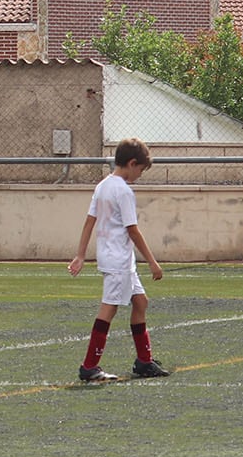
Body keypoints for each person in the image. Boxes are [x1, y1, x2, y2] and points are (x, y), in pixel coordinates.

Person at [67, 137, 168, 383]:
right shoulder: (123, 190)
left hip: (118, 260)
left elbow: (89, 221)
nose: (140, 175)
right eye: (141, 170)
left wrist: (81, 255)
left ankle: (144, 361)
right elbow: (133, 230)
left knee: (140, 302)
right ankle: (90, 366)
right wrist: (153, 262)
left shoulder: (103, 186)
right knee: (109, 308)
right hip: (118, 261)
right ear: (132, 163)